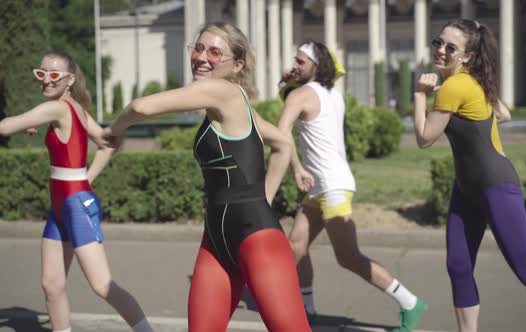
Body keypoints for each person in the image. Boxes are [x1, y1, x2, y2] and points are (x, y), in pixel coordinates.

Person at [102, 22, 311, 332]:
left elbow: (141, 107)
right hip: (216, 241)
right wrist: (263, 198)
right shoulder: (236, 103)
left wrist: (114, 130)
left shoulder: (222, 91)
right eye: (198, 48)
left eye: (215, 52)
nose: (202, 57)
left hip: (258, 240)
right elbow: (282, 143)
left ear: (237, 64)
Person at [413, 19, 526, 332]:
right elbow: (502, 114)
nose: (441, 50)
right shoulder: (470, 80)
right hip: (467, 190)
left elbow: (425, 138)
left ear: (466, 55)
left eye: (450, 48)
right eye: (438, 42)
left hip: (496, 187)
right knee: (459, 266)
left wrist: (421, 94)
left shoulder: (455, 85)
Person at [277, 40, 427, 332]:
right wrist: (289, 81)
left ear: (316, 66)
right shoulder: (332, 93)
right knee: (295, 246)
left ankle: (410, 303)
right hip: (325, 184)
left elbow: (282, 135)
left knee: (348, 257)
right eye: (294, 60)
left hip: (330, 186)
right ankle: (306, 310)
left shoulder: (301, 94)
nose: (294, 65)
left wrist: (295, 168)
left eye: (300, 62)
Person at [0, 51, 153, 332]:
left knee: (102, 284)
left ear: (69, 80)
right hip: (63, 205)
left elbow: (7, 125)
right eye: (41, 74)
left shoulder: (58, 109)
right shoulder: (74, 109)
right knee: (52, 284)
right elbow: (109, 142)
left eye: (54, 75)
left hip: (74, 203)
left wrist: (84, 180)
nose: (46, 80)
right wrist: (86, 179)